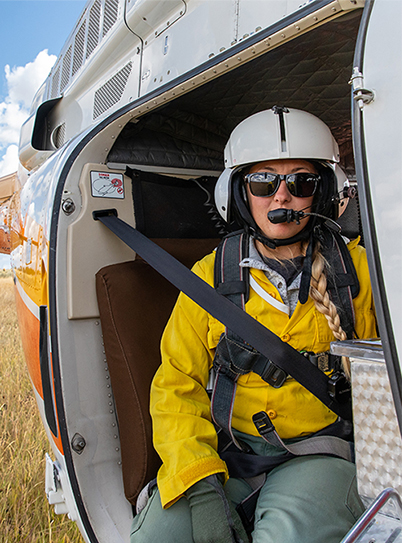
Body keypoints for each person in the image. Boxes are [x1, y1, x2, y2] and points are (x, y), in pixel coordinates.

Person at [133, 107, 374, 542]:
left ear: (322, 194)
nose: (281, 197)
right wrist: (203, 487)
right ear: (240, 193)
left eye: (301, 183)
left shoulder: (359, 272)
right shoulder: (209, 277)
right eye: (264, 182)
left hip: (323, 452)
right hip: (232, 454)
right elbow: (175, 386)